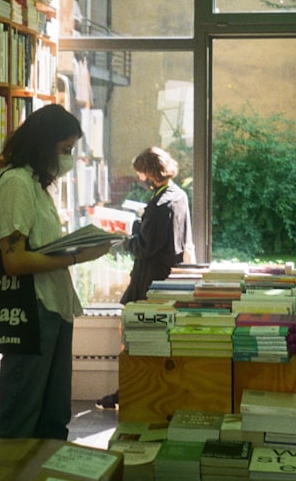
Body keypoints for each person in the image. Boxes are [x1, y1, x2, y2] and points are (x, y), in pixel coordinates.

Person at [0, 104, 114, 440]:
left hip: (52, 306)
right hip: (31, 309)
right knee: (19, 416)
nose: (68, 159)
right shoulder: (16, 183)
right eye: (65, 150)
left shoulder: (37, 185)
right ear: (44, 144)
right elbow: (15, 261)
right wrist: (77, 257)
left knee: (53, 416)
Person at [96, 146, 192, 410]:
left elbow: (146, 247)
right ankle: (134, 391)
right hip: (167, 279)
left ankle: (127, 391)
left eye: (141, 173)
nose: (140, 179)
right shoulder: (178, 195)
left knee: (135, 339)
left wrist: (123, 240)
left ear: (151, 172)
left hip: (149, 283)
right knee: (151, 341)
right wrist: (142, 223)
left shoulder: (161, 204)